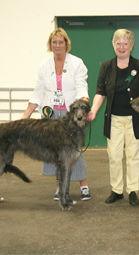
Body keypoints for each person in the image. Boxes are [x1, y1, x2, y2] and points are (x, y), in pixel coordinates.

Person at [22, 28, 91, 202]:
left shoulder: (77, 63)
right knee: (55, 152)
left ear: (67, 44)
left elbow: (82, 87)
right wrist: (25, 118)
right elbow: (38, 93)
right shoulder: (44, 66)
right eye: (54, 42)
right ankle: (60, 187)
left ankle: (83, 185)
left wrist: (84, 103)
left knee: (75, 151)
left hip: (71, 115)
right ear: (50, 45)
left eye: (61, 42)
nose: (57, 45)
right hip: (50, 112)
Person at [87, 29, 139, 206]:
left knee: (133, 156)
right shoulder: (106, 66)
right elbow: (100, 93)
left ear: (131, 45)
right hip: (114, 119)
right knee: (114, 155)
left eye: (125, 43)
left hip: (134, 119)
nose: (121, 47)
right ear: (113, 45)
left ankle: (132, 190)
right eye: (118, 43)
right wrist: (93, 110)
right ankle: (116, 190)